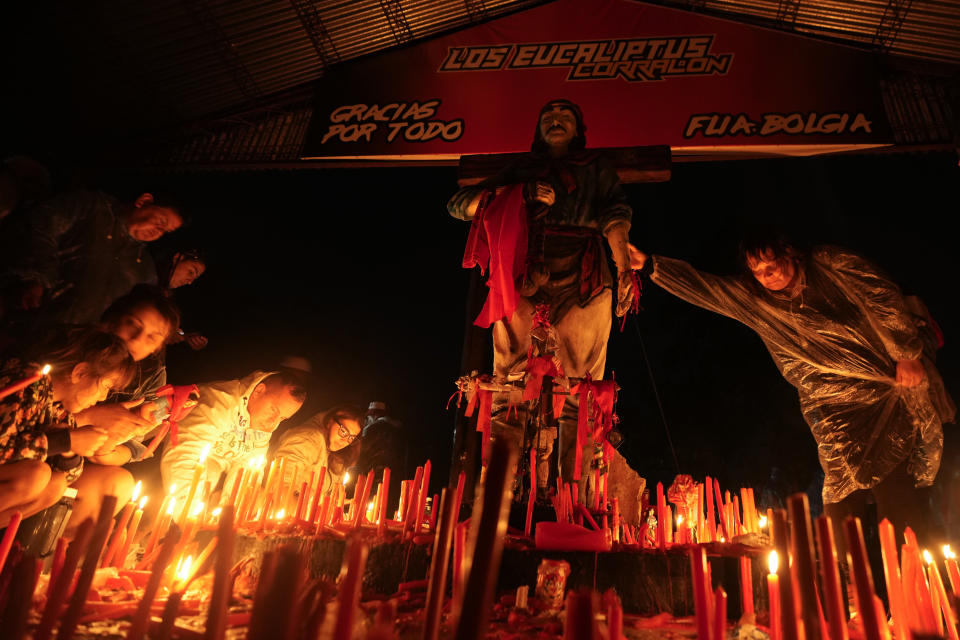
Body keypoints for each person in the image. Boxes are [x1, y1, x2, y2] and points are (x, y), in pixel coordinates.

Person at [629, 230, 955, 551]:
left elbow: (882, 296)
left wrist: (906, 353)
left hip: (882, 398)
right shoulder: (758, 300)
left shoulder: (829, 265)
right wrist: (651, 265)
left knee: (897, 501)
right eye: (757, 271)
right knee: (841, 508)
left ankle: (914, 591)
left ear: (790, 253)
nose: (767, 276)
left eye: (772, 265)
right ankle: (853, 591)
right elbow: (708, 289)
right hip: (832, 416)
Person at [447, 99, 640, 504]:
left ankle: (575, 496)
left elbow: (616, 214)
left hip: (586, 275)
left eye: (565, 117)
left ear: (578, 130)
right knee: (511, 380)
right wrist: (519, 192)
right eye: (548, 117)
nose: (556, 121)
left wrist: (624, 266)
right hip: (524, 274)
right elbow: (459, 205)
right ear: (537, 130)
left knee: (580, 386)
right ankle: (501, 492)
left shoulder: (597, 167)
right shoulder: (520, 169)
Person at [60, 286, 182, 532]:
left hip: (76, 464)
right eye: (132, 324)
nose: (136, 339)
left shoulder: (150, 377)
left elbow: (132, 450)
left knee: (119, 483)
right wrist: (88, 417)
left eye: (151, 337)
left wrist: (109, 444)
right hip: (39, 447)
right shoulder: (73, 346)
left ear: (158, 347)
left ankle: (50, 563)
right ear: (114, 317)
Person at [0, 328, 135, 524]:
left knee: (56, 483)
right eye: (105, 386)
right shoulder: (26, 380)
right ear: (80, 373)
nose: (104, 398)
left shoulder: (62, 411)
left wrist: (69, 451)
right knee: (37, 475)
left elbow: (70, 476)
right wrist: (64, 441)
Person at [0, 189, 183, 326]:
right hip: (24, 319)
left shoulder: (144, 268)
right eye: (161, 221)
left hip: (74, 349)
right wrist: (36, 278)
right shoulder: (90, 207)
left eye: (165, 231)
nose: (159, 232)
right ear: (144, 201)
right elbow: (41, 229)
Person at [160, 369, 307, 514]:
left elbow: (248, 468)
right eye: (274, 410)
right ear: (258, 391)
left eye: (282, 418)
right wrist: (188, 513)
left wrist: (231, 515)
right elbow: (184, 454)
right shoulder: (219, 402)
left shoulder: (262, 421)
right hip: (160, 465)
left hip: (212, 472)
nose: (273, 423)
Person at [272, 405, 363, 497]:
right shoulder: (306, 439)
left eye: (351, 437)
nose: (344, 441)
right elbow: (281, 483)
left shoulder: (337, 455)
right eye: (343, 431)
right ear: (330, 421)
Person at [159, 249, 208, 351]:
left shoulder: (166, 298)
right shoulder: (142, 279)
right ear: (177, 258)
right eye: (191, 272)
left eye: (195, 278)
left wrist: (183, 336)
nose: (190, 282)